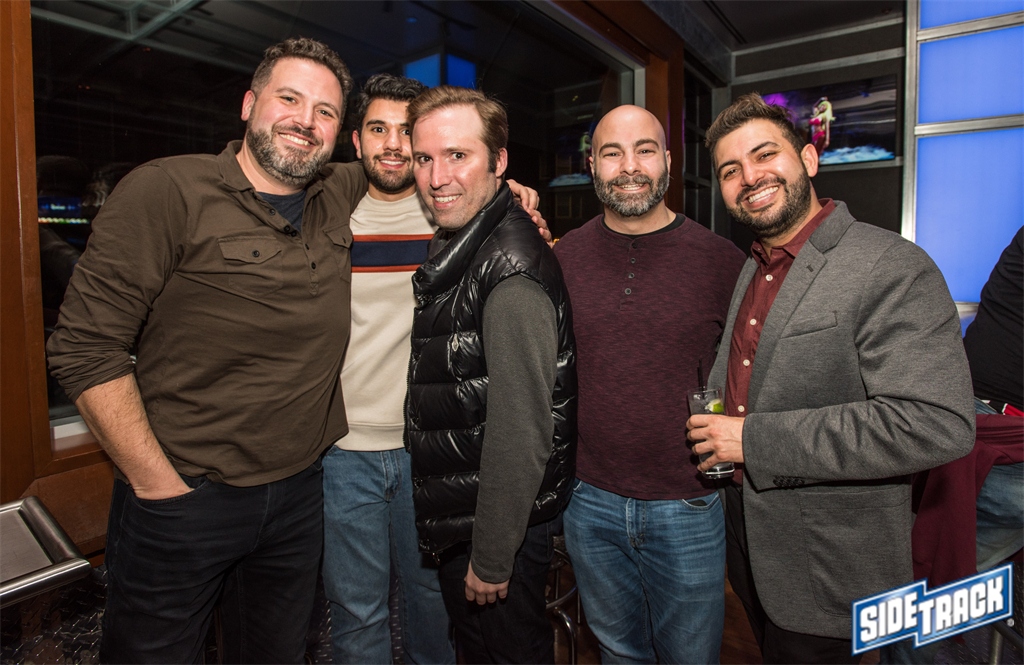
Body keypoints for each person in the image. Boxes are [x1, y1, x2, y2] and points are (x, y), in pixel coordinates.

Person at [46, 38, 363, 663]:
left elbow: (415, 169)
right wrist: (158, 486)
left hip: (299, 497)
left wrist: (507, 192)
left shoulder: (336, 192)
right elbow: (85, 347)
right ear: (248, 104)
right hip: (186, 495)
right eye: (289, 99)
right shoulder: (166, 190)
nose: (306, 121)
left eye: (325, 111)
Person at [688, 93, 975, 664]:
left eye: (765, 155)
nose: (750, 177)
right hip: (751, 539)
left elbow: (937, 423)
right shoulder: (755, 264)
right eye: (730, 170)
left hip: (829, 562)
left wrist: (751, 440)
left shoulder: (890, 264)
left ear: (809, 159)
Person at [553, 105, 745, 664]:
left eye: (644, 150)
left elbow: (754, 371)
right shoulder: (563, 258)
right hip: (588, 500)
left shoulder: (722, 260)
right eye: (612, 153)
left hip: (688, 503)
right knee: (618, 653)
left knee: (691, 656)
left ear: (667, 160)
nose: (629, 166)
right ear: (592, 165)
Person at [404, 85, 576, 664]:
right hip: (472, 514)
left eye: (458, 155)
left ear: (499, 161)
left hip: (498, 529)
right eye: (424, 158)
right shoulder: (465, 241)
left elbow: (522, 432)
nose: (437, 177)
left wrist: (494, 557)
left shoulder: (509, 270)